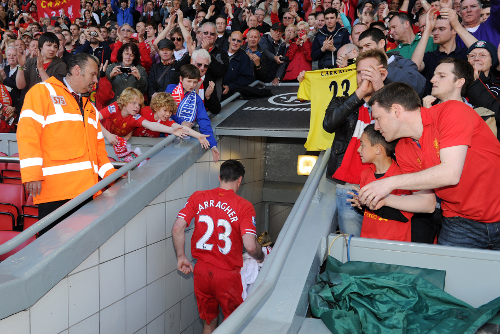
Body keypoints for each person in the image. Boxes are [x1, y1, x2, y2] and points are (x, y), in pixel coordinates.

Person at [359, 82, 500, 250]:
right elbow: (427, 203)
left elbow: (450, 173)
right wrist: (385, 200)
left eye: (377, 118)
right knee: (450, 275)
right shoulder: (403, 148)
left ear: (396, 111)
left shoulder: (451, 111)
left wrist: (389, 182)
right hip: (460, 221)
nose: (376, 126)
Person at [17, 53, 117, 236]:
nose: (96, 80)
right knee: (52, 249)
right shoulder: (42, 92)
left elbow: (98, 150)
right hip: (55, 192)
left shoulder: (88, 105)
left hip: (88, 191)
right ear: (77, 70)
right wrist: (32, 174)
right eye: (93, 75)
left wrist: (113, 178)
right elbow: (27, 134)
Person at [172, 159, 264, 334]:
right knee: (235, 326)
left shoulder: (198, 197)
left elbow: (177, 228)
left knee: (209, 322)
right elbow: (251, 246)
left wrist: (181, 257)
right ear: (240, 180)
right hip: (228, 275)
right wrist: (261, 258)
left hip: (201, 272)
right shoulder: (244, 206)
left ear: (220, 177)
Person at [323, 49, 389, 236]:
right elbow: (329, 124)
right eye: (359, 72)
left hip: (384, 186)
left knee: (382, 247)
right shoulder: (343, 101)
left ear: (382, 73)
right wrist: (359, 94)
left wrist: (380, 88)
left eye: (369, 71)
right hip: (349, 188)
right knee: (352, 248)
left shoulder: (393, 101)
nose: (363, 76)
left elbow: (400, 126)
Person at [351, 124, 413, 242]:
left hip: (394, 245)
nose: (358, 149)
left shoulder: (402, 177)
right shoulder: (365, 174)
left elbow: (404, 215)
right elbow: (369, 212)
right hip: (368, 241)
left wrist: (372, 204)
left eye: (362, 145)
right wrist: (361, 204)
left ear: (378, 149)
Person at [99, 87, 209, 146]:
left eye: (138, 104)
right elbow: (94, 118)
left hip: (129, 144)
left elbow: (152, 125)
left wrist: (198, 136)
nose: (137, 107)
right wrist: (108, 135)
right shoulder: (115, 107)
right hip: (103, 139)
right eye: (134, 103)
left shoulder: (135, 116)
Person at [411, 7, 474, 96]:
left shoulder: (465, 54)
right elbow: (413, 66)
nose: (435, 33)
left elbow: (481, 49)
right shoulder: (429, 57)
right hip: (432, 106)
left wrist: (457, 26)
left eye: (441, 29)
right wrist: (428, 29)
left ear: (454, 30)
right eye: (434, 29)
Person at [166, 64, 220, 162]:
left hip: (183, 139)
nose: (192, 85)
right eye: (189, 81)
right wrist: (181, 122)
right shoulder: (171, 90)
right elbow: (165, 112)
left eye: (195, 82)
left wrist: (212, 145)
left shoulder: (196, 99)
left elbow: (204, 121)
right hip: (164, 135)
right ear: (181, 79)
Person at [358, 28, 427, 97]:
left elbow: (417, 85)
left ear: (382, 43)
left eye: (368, 45)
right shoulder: (359, 68)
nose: (363, 51)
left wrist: (383, 71)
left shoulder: (404, 63)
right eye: (361, 48)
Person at [222, 31, 254, 97]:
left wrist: (230, 87)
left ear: (242, 42)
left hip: (232, 96)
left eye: (238, 41)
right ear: (229, 39)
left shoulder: (245, 58)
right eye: (233, 39)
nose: (235, 43)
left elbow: (246, 78)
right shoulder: (220, 53)